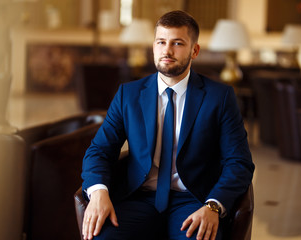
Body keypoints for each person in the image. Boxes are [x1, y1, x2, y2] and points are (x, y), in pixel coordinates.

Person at [81, 10, 254, 240]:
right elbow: (99, 151)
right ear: (153, 46)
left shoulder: (219, 97)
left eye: (178, 43)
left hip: (193, 200)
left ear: (195, 50)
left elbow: (239, 162)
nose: (167, 50)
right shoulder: (128, 95)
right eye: (161, 42)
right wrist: (99, 192)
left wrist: (213, 206)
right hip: (138, 197)